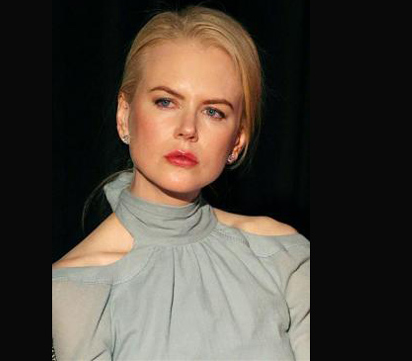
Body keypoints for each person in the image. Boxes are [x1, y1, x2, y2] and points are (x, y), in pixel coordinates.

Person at [52, 5, 309, 361]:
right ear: (124, 115)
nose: (188, 129)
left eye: (213, 111)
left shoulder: (283, 255)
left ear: (237, 140)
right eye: (166, 101)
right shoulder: (74, 290)